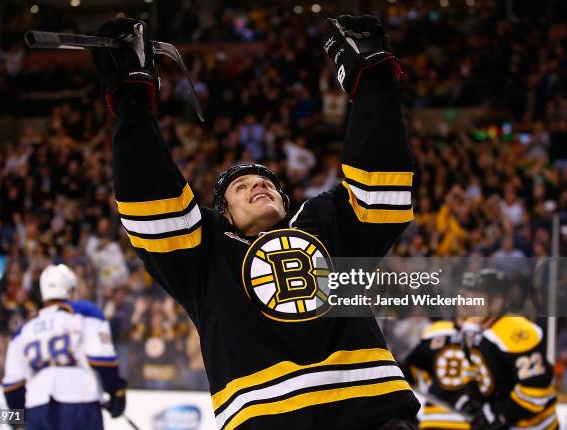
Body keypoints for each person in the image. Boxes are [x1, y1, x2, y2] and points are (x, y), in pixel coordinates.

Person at [92, 15, 419, 429]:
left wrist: (372, 80)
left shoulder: (326, 226)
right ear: (223, 213)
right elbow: (152, 200)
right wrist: (130, 99)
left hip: (373, 417)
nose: (258, 186)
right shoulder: (206, 256)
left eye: (266, 182)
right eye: (241, 185)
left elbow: (381, 185)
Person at [2, 264, 127, 430]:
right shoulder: (85, 312)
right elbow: (101, 358)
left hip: (37, 407)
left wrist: (18, 419)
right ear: (71, 290)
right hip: (80, 402)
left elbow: (12, 384)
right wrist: (116, 391)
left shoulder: (23, 329)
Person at [464, 269, 558, 430]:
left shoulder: (516, 331)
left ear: (496, 301)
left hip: (535, 426)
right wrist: (474, 400)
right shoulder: (473, 327)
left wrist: (501, 414)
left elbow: (537, 389)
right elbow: (478, 370)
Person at [403, 318, 480, 430]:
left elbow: (412, 373)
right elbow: (412, 370)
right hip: (440, 417)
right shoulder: (436, 330)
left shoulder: (437, 330)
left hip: (468, 420)